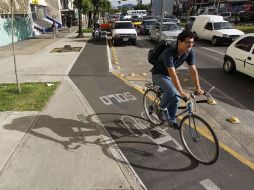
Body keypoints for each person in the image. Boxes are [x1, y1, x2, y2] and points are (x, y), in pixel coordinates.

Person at [151, 30, 204, 129]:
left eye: (192, 42)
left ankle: (172, 120)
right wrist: (182, 92)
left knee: (175, 98)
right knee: (172, 91)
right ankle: (160, 108)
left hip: (168, 76)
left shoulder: (189, 52)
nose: (190, 45)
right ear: (180, 42)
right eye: (188, 42)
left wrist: (198, 87)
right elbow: (173, 73)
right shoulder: (169, 53)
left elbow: (192, 69)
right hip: (158, 75)